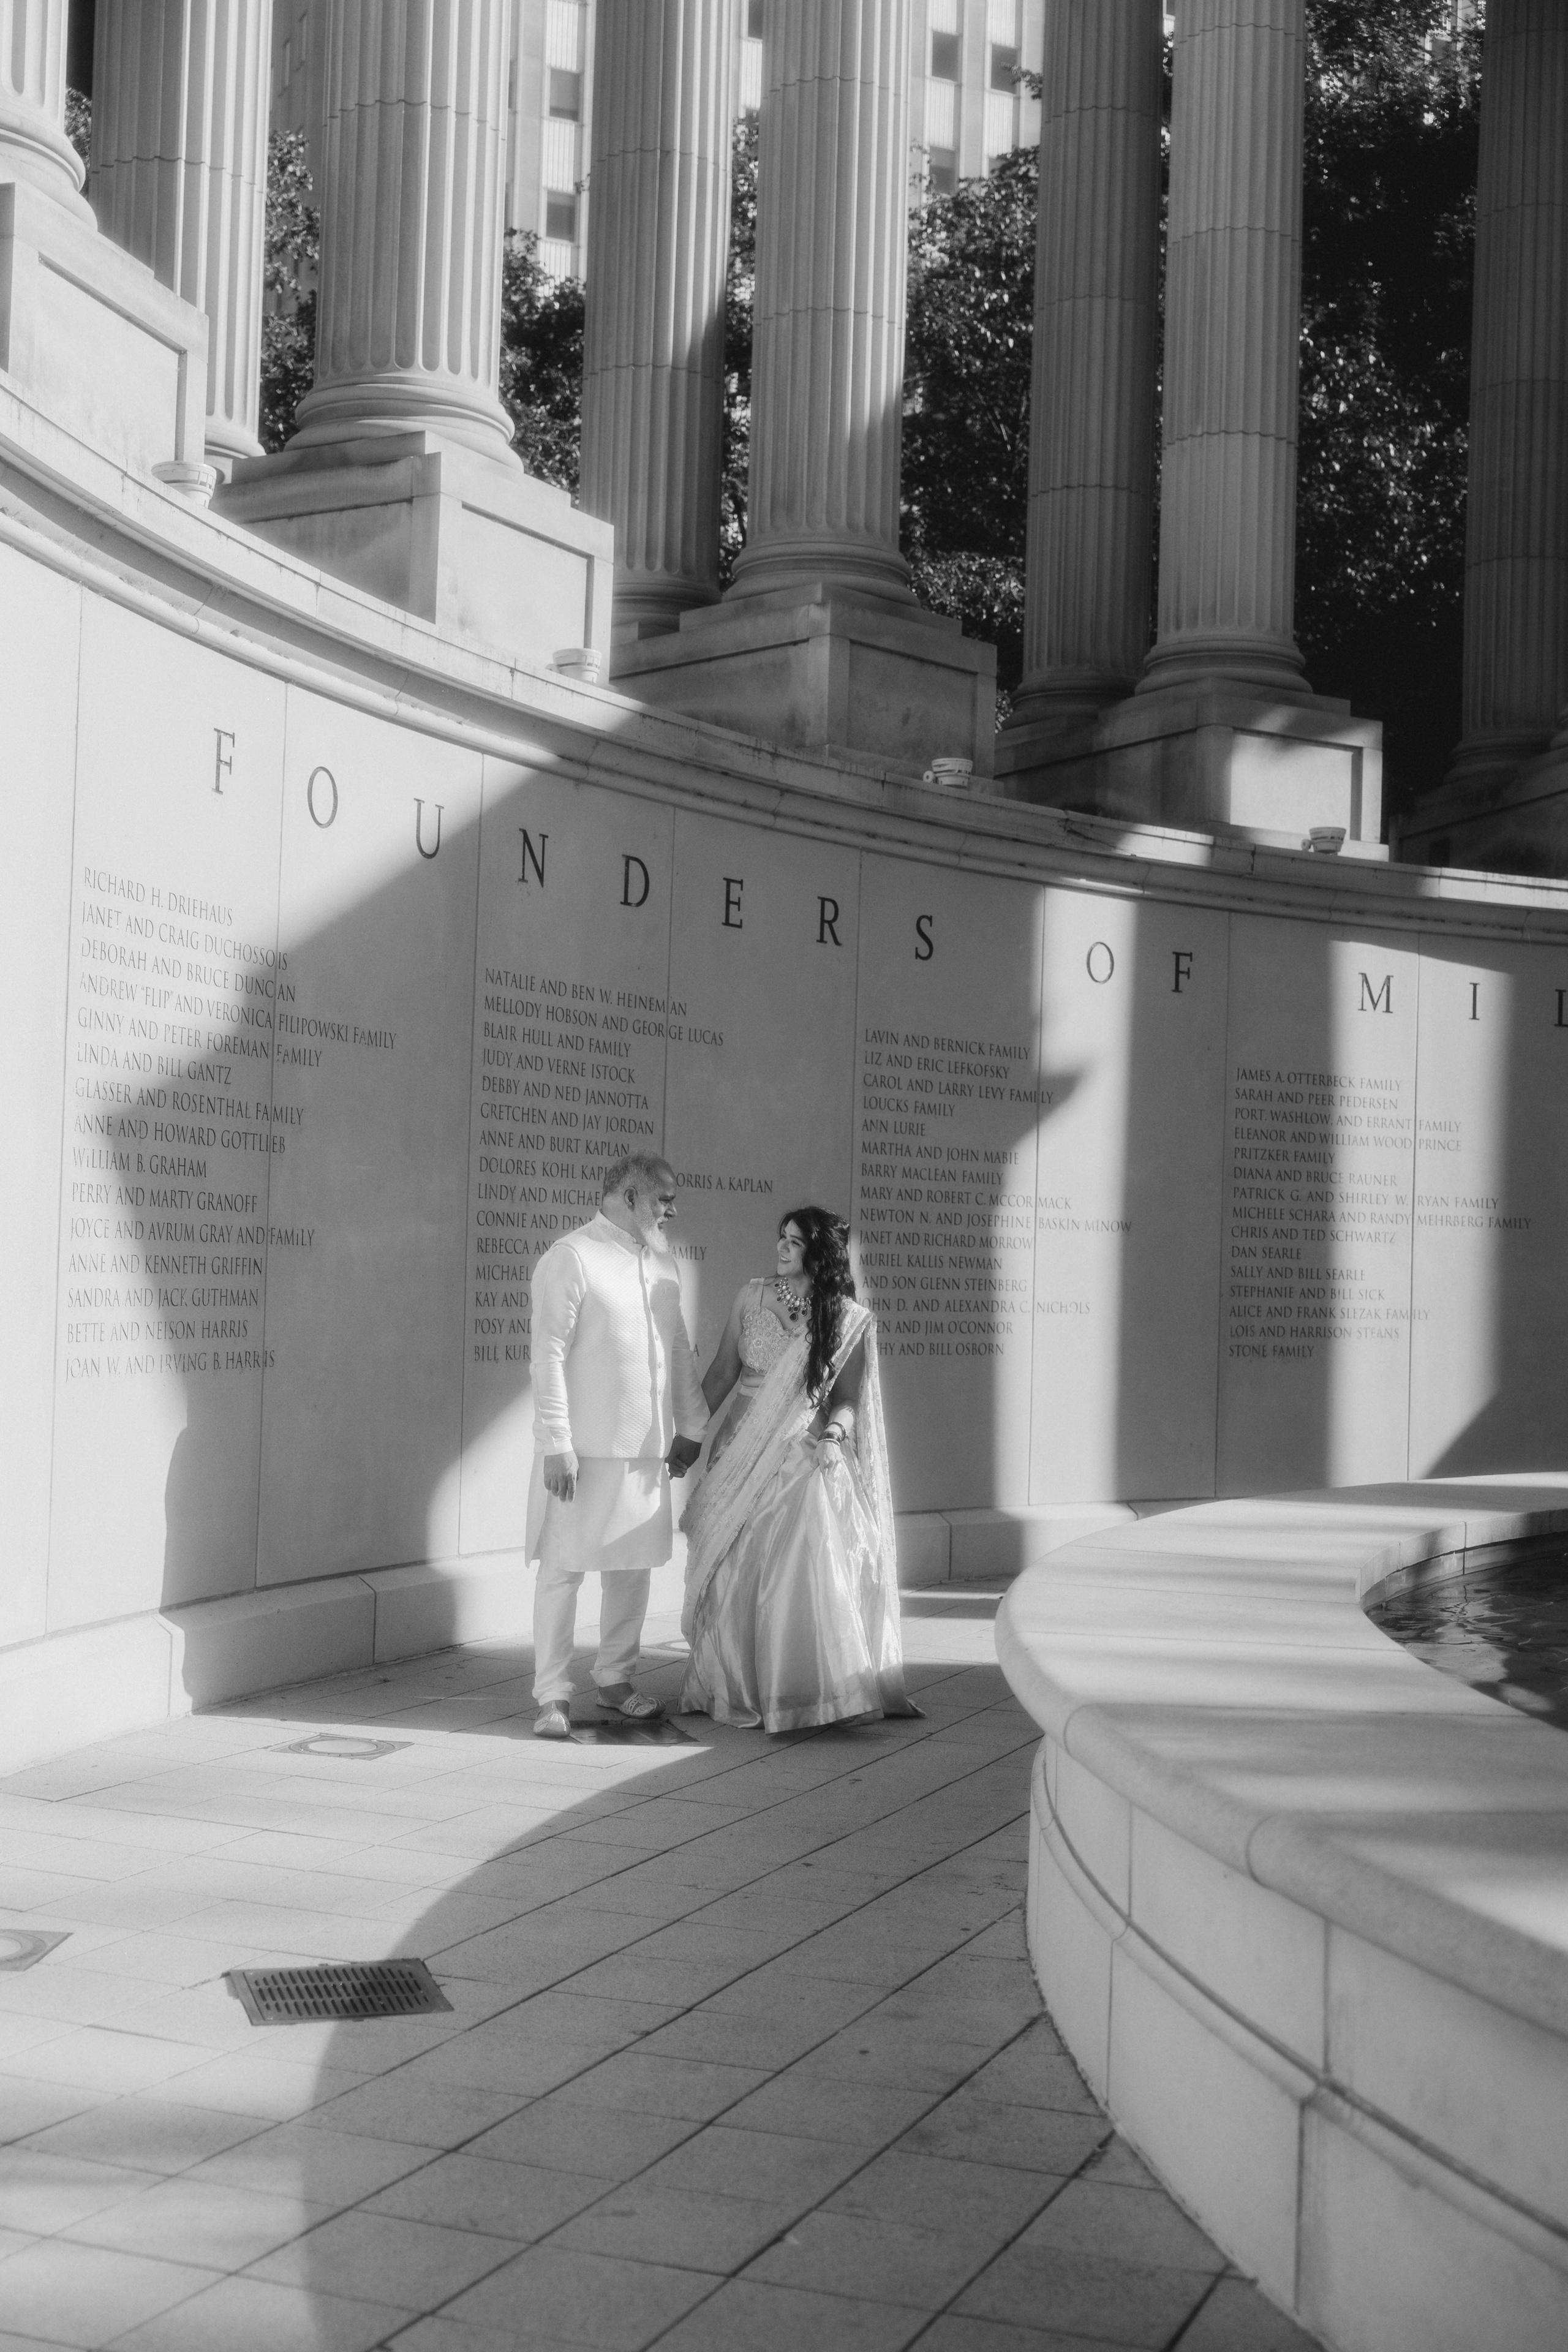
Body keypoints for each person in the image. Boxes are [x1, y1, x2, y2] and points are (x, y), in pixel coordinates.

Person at [678, 1207, 918, 1733]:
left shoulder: (845, 1316)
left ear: (819, 1254)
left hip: (805, 1444)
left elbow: (848, 1400)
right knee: (734, 1562)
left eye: (794, 1241)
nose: (782, 1248)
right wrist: (689, 1436)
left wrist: (834, 1436)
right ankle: (735, 1682)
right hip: (740, 1447)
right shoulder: (751, 1297)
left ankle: (808, 1688)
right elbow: (722, 1374)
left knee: (804, 1540)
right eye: (781, 1238)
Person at [527, 1153, 707, 1738]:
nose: (672, 1211)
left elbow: (678, 1350)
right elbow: (547, 1354)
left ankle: (615, 1678)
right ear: (630, 1197)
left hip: (646, 1450)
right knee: (563, 1572)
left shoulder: (663, 1265)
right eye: (664, 1199)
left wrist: (692, 1427)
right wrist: (557, 1442)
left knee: (632, 1570)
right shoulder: (572, 1256)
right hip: (580, 1453)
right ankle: (552, 1695)